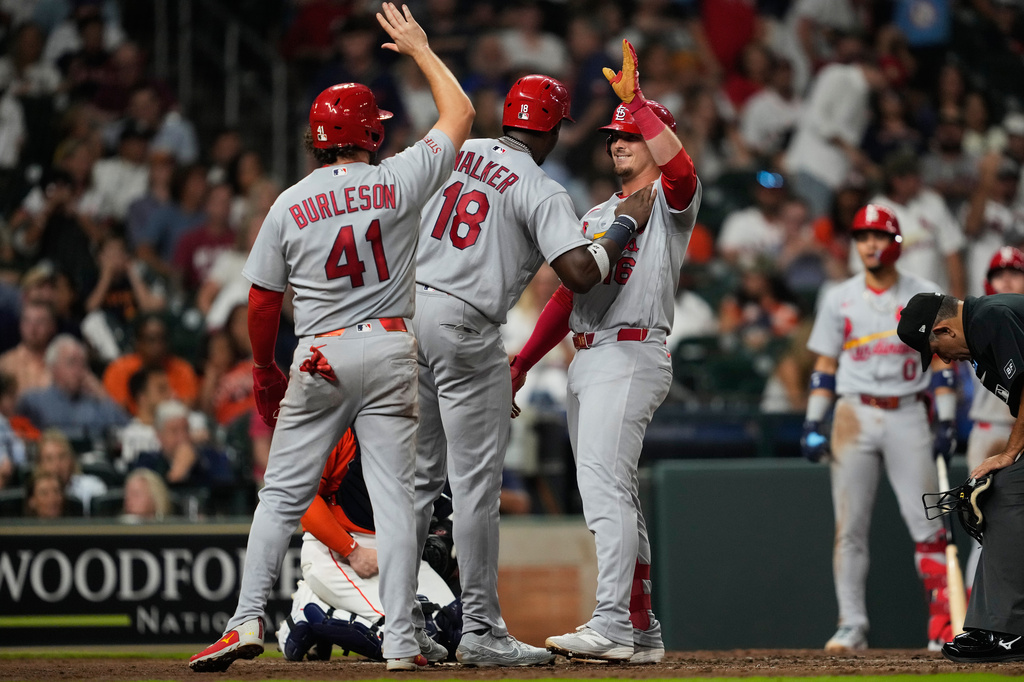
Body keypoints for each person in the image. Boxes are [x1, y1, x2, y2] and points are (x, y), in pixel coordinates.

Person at [188, 3, 474, 673]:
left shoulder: (290, 201)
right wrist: (421, 49)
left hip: (322, 350)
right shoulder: (398, 178)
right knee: (400, 504)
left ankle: (244, 621)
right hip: (394, 345)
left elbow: (261, 300)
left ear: (317, 139)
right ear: (369, 136)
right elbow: (459, 113)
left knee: (281, 495)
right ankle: (401, 641)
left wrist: (264, 368)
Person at [410, 66, 655, 666]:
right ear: (550, 129)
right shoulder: (538, 185)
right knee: (472, 490)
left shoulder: (455, 148)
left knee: (414, 482)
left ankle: (401, 625)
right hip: (466, 326)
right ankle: (480, 630)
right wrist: (625, 224)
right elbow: (579, 274)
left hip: (408, 314)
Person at [510, 41, 701, 662]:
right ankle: (640, 628)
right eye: (614, 135)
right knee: (616, 491)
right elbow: (567, 298)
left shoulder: (670, 204)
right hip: (588, 356)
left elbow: (684, 174)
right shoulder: (598, 213)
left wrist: (641, 105)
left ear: (655, 139)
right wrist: (521, 363)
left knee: (603, 490)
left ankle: (613, 623)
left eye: (631, 135)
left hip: (631, 350)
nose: (619, 141)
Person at [800, 204, 955, 652]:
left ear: (898, 242)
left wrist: (945, 420)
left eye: (880, 236)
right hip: (854, 412)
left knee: (928, 521)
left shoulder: (924, 293)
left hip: (909, 410)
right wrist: (814, 420)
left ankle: (943, 624)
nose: (870, 244)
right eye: (863, 236)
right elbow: (826, 365)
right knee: (849, 527)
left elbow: (945, 358)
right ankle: (852, 623)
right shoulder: (839, 295)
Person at [897, 290, 1024, 662]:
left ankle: (1007, 628)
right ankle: (1000, 627)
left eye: (934, 348)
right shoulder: (981, 340)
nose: (941, 359)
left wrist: (1011, 452)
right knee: (1003, 492)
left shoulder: (991, 318)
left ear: (943, 329)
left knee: (1006, 491)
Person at [277, 430, 460, 663]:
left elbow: (448, 512)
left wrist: (439, 541)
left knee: (453, 632)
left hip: (397, 551)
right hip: (337, 548)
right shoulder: (342, 426)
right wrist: (351, 551)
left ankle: (322, 607)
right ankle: (311, 608)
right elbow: (302, 498)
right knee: (406, 641)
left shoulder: (424, 433)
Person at [963, 247, 1024, 584]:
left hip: (1019, 431)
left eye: (1015, 272)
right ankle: (974, 624)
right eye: (999, 273)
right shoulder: (977, 322)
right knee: (980, 527)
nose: (1007, 279)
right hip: (988, 430)